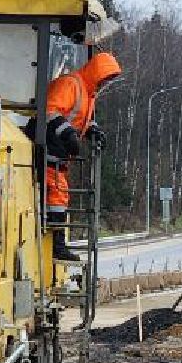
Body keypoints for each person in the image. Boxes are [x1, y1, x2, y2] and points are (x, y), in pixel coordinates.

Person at [40, 51, 122, 262]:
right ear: (97, 72)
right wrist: (67, 133)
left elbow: (80, 120)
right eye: (106, 77)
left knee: (59, 194)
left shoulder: (88, 92)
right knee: (57, 195)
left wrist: (93, 130)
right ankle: (56, 245)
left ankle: (57, 243)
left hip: (57, 151)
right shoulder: (71, 84)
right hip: (47, 146)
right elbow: (50, 110)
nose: (107, 82)